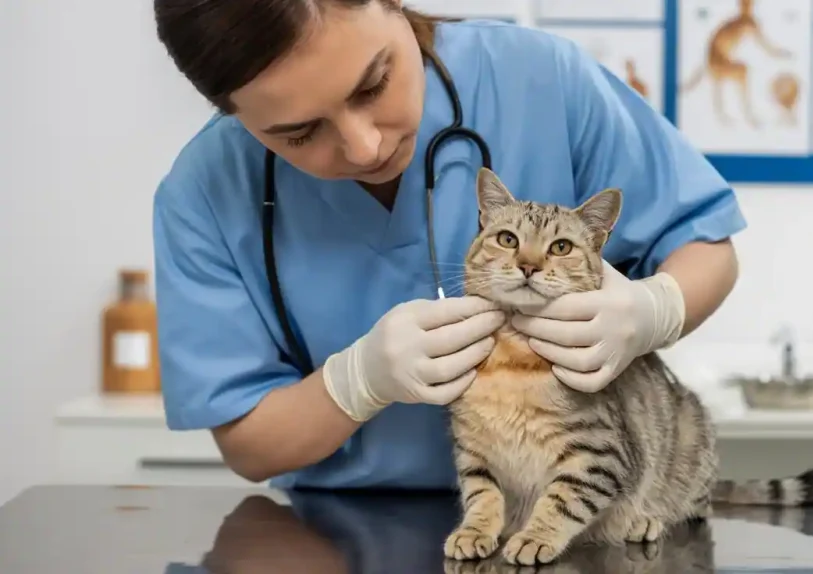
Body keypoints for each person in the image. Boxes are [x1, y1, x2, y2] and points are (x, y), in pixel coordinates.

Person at [151, 0, 746, 490]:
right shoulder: (204, 191)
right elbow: (249, 447)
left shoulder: (538, 79)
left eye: (374, 84)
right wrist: (355, 383)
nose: (364, 148)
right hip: (335, 534)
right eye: (299, 134)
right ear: (232, 113)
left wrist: (655, 310)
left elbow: (707, 247)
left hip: (570, 508)